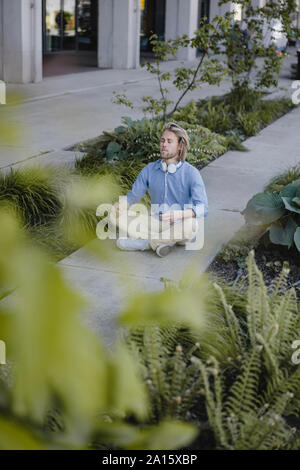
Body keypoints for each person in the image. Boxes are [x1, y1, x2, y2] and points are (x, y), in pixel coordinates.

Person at [112, 122, 208, 257]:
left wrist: (179, 215)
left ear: (180, 146)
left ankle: (145, 244)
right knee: (116, 215)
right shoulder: (149, 170)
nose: (164, 144)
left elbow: (203, 208)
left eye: (169, 141)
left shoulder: (191, 173)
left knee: (192, 225)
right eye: (162, 140)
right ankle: (164, 242)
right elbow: (133, 196)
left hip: (180, 225)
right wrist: (120, 205)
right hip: (155, 223)